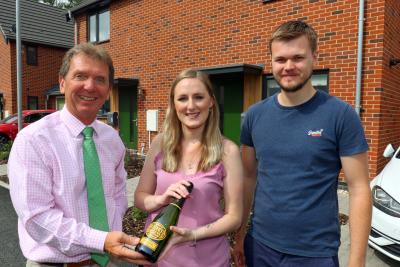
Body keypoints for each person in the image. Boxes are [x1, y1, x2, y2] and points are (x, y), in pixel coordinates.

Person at [232, 21, 372, 267]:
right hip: (260, 245)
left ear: (314, 58)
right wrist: (240, 235)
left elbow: (359, 189)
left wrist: (356, 261)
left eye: (298, 58)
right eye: (280, 59)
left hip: (314, 253)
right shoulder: (254, 116)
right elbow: (248, 179)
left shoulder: (340, 115)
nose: (288, 67)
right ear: (271, 62)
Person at [8, 43, 149, 267]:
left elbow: (118, 191)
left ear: (108, 89)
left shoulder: (111, 140)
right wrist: (101, 240)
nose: (90, 86)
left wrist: (110, 236)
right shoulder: (33, 140)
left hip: (107, 261)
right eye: (80, 76)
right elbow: (37, 218)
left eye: (100, 79)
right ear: (62, 83)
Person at [134, 69, 243, 266]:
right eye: (183, 98)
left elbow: (234, 217)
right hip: (158, 257)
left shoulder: (228, 151)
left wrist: (192, 234)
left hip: (208, 260)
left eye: (198, 97)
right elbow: (140, 198)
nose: (191, 106)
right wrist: (161, 199)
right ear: (174, 104)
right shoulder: (160, 143)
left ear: (211, 102)